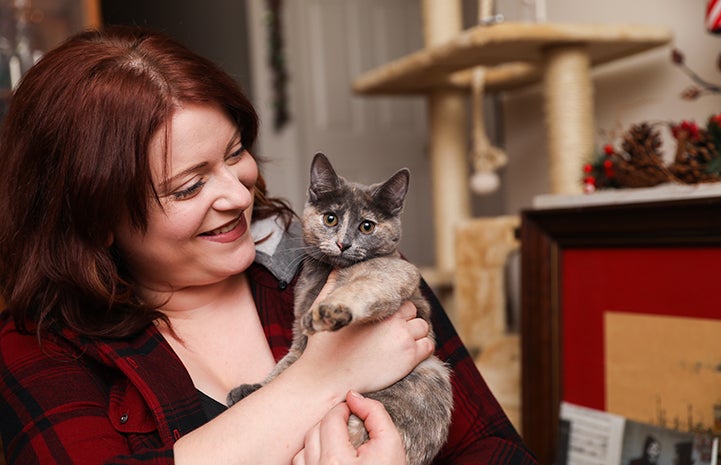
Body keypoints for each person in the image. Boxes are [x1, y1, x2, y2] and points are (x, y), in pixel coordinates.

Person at [0, 26, 537, 465]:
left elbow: (496, 450)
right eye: (189, 186)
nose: (239, 195)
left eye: (235, 154)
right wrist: (324, 376)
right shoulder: (38, 347)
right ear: (96, 219)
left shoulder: (350, 271)